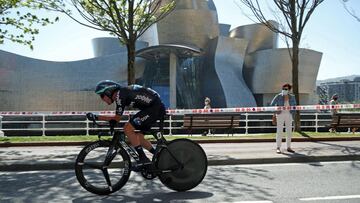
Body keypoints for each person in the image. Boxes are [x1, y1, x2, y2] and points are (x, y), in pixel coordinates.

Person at [86, 80, 166, 171]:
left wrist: (96, 117)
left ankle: (143, 159)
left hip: (154, 108)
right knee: (138, 137)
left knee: (128, 128)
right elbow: (116, 119)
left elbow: (116, 118)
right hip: (154, 107)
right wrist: (110, 121)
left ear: (108, 92)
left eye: (102, 95)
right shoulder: (122, 94)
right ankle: (160, 156)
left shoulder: (120, 95)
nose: (102, 99)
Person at [270, 83, 297, 154]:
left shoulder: (292, 97)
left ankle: (289, 147)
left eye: (286, 89)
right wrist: (276, 111)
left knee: (289, 131)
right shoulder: (278, 96)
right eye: (283, 89)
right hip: (280, 114)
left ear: (289, 90)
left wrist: (293, 113)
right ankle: (278, 147)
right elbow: (272, 105)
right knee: (279, 131)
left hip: (289, 114)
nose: (284, 90)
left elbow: (295, 106)